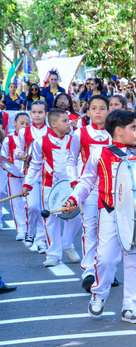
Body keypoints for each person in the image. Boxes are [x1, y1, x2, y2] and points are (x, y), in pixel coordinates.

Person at [65, 109, 136, 324]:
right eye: (133, 128)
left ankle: (132, 306)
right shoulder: (99, 154)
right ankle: (99, 294)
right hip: (110, 213)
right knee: (105, 259)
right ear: (119, 131)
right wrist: (73, 199)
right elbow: (86, 182)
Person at [20, 108, 81, 267]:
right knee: (51, 219)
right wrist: (28, 184)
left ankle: (67, 244)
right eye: (65, 121)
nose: (69, 123)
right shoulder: (40, 142)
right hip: (49, 186)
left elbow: (78, 162)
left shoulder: (74, 139)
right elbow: (34, 165)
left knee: (76, 217)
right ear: (53, 124)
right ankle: (53, 253)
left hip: (70, 186)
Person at [69, 95, 112, 291]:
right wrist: (74, 182)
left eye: (102, 108)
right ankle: (88, 271)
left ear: (108, 111)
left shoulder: (115, 133)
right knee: (90, 229)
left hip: (112, 189)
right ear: (87, 112)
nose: (97, 112)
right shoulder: (80, 133)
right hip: (90, 189)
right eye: (93, 108)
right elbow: (71, 160)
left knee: (110, 231)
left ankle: (106, 269)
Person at [19, 101, 49, 252]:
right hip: (31, 173)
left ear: (46, 114)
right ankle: (30, 231)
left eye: (40, 112)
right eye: (34, 112)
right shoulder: (24, 132)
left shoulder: (50, 131)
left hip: (47, 175)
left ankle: (42, 240)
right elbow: (18, 150)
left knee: (44, 208)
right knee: (32, 206)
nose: (37, 115)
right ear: (30, 113)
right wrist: (20, 155)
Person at [0, 112, 31, 241]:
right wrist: (7, 166)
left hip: (29, 175)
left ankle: (31, 229)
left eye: (27, 124)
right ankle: (21, 229)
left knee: (30, 204)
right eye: (21, 123)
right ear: (14, 123)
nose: (24, 126)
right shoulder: (9, 139)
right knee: (16, 202)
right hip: (13, 175)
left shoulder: (33, 138)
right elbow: (3, 156)